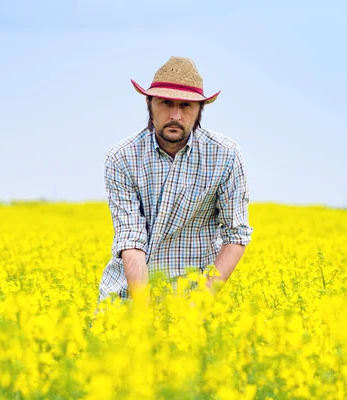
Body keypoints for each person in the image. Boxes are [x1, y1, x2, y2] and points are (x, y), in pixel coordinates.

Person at [98, 56, 253, 303]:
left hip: (194, 298)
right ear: (149, 104)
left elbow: (236, 235)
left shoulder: (225, 156)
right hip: (127, 296)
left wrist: (199, 304)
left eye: (186, 106)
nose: (175, 115)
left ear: (200, 109)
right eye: (165, 103)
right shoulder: (122, 157)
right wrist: (143, 312)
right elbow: (131, 238)